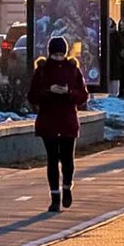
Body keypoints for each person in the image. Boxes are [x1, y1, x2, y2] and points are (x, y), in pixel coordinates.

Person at [27, 36, 88, 212]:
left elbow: (83, 96)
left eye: (61, 54)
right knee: (53, 160)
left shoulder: (73, 70)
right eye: (56, 55)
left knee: (68, 160)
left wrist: (69, 92)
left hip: (68, 120)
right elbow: (32, 95)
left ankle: (67, 187)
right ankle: (54, 197)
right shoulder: (42, 70)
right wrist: (48, 91)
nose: (59, 58)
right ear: (50, 54)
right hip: (49, 120)